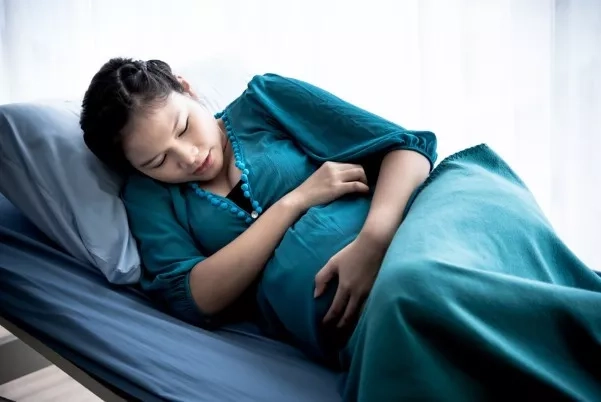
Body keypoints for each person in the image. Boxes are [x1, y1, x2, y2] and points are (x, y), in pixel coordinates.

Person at [80, 58, 601, 401]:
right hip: (362, 311)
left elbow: (406, 148)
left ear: (188, 91)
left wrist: (373, 242)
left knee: (415, 283)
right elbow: (197, 296)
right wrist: (297, 200)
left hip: (427, 217)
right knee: (412, 298)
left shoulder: (265, 100)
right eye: (157, 161)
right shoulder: (148, 198)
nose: (188, 157)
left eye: (182, 128)